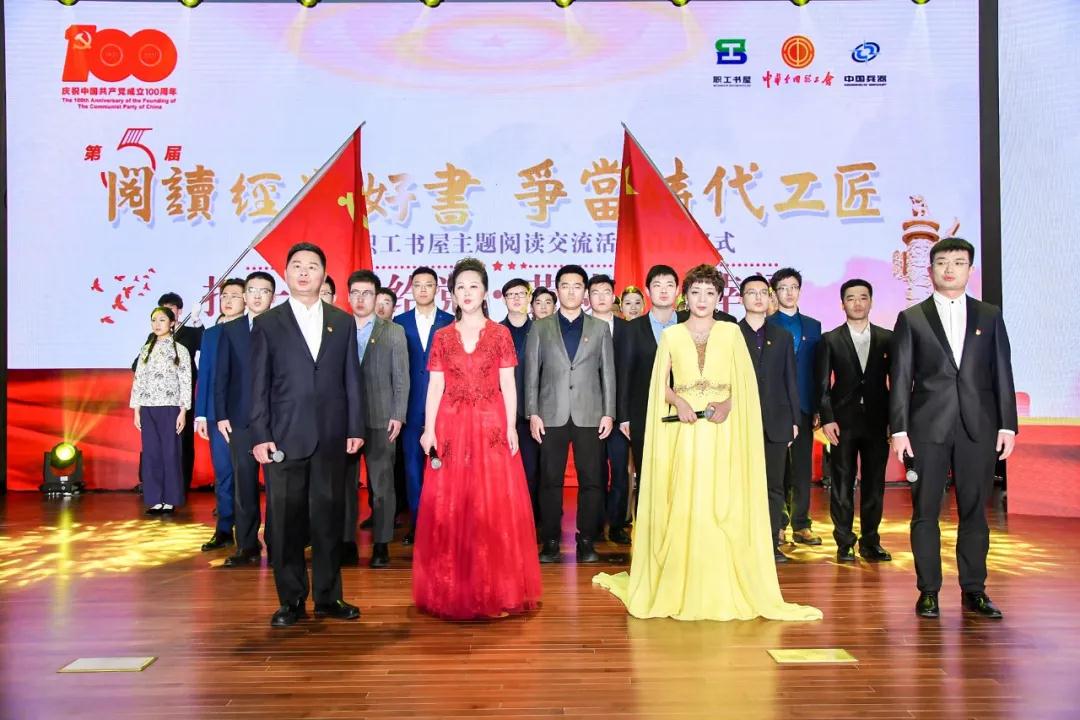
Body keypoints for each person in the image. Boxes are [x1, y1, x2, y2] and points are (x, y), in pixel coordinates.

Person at [593, 265, 821, 622]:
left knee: (722, 499)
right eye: (696, 292)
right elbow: (660, 386)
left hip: (722, 430)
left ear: (719, 297)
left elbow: (744, 384)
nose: (702, 299)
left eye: (710, 293)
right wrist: (679, 402)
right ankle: (681, 577)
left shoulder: (731, 333)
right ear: (686, 296)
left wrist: (727, 405)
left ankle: (723, 577)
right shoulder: (672, 336)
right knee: (685, 496)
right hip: (683, 430)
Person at [890, 237, 1017, 620]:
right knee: (925, 510)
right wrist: (899, 429)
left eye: (958, 262)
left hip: (979, 426)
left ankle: (974, 590)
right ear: (930, 270)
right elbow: (901, 378)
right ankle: (928, 591)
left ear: (970, 270)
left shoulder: (989, 315)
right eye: (942, 262)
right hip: (927, 427)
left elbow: (1002, 370)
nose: (950, 269)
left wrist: (1008, 425)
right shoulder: (912, 318)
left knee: (975, 510)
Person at [414, 258, 542, 620]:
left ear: (486, 292)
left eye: (474, 286)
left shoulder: (500, 334)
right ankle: (451, 589)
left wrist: (511, 426)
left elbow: (508, 384)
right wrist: (429, 428)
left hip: (491, 426)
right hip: (451, 426)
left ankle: (497, 589)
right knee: (453, 505)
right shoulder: (442, 336)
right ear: (453, 295)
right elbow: (435, 385)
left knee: (492, 505)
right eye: (460, 287)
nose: (467, 293)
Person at [249, 243, 365, 627]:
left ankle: (329, 597)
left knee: (329, 518)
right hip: (283, 437)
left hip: (331, 435)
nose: (303, 272)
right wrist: (260, 434)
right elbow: (258, 385)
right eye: (296, 265)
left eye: (312, 266)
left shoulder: (342, 322)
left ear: (324, 274)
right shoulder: (269, 323)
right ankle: (291, 600)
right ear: (285, 273)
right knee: (285, 522)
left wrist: (355, 426)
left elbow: (351, 378)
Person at [525, 264, 615, 564]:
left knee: (592, 480)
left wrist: (609, 413)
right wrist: (532, 412)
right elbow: (532, 374)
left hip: (591, 414)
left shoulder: (599, 328)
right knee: (550, 480)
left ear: (585, 291)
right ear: (557, 289)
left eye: (577, 286)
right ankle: (550, 541)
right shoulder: (541, 327)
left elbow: (608, 374)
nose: (571, 291)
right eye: (565, 286)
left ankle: (586, 540)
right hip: (551, 414)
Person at [816, 279, 893, 563]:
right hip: (842, 422)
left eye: (863, 297)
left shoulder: (887, 338)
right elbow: (822, 384)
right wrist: (827, 419)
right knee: (842, 482)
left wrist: (895, 422)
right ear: (842, 304)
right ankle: (844, 542)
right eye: (851, 298)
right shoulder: (830, 339)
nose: (857, 303)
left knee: (874, 484)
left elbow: (896, 382)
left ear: (871, 301)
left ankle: (871, 542)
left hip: (878, 421)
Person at [343, 270, 409, 568]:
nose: (361, 299)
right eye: (355, 293)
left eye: (367, 293)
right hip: (344, 421)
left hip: (382, 418)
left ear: (376, 297)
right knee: (345, 486)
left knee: (382, 485)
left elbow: (401, 378)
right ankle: (346, 542)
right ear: (348, 296)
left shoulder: (392, 331)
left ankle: (381, 544)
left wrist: (398, 414)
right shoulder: (337, 328)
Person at [215, 271, 276, 567]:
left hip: (276, 420)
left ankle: (278, 544)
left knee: (277, 487)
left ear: (272, 296)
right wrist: (221, 414)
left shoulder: (283, 326)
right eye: (252, 290)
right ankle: (247, 546)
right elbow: (221, 375)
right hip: (239, 419)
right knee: (244, 485)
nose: (257, 296)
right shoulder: (231, 329)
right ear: (245, 295)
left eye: (264, 291)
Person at [738, 275, 800, 563]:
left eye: (763, 292)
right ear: (742, 298)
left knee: (774, 486)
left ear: (770, 297)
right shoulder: (731, 334)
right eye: (752, 292)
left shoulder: (782, 336)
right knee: (740, 486)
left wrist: (794, 420)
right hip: (739, 422)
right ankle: (742, 544)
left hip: (776, 423)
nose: (758, 297)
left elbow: (790, 380)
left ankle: (771, 542)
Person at [395, 267, 454, 545]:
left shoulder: (450, 322)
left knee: (445, 466)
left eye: (428, 285)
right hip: (408, 405)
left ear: (436, 289)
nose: (422, 289)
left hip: (444, 406)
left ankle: (445, 522)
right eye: (417, 284)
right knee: (412, 467)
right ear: (411, 288)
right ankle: (419, 524)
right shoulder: (399, 322)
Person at [618, 265, 680, 515]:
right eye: (657, 285)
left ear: (678, 290)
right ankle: (648, 527)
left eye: (669, 285)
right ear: (647, 291)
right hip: (643, 412)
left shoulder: (688, 324)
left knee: (681, 473)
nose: (663, 291)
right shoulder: (632, 328)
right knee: (648, 472)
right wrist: (624, 416)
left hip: (684, 411)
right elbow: (624, 374)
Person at [767, 268, 822, 547]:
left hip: (804, 404)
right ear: (774, 293)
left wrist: (818, 407)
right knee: (777, 469)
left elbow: (817, 370)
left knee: (801, 467)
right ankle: (778, 523)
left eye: (793, 287)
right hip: (775, 405)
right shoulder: (766, 324)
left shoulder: (813, 326)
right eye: (782, 288)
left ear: (800, 290)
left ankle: (802, 524)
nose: (789, 293)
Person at [195, 278, 246, 552]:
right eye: (224, 296)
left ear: (246, 299)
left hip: (247, 416)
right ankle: (224, 528)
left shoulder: (254, 329)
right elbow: (205, 375)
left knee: (246, 475)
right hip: (217, 416)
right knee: (224, 473)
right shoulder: (211, 334)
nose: (228, 300)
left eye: (235, 296)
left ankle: (250, 532)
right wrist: (202, 415)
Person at [130, 306, 192, 515]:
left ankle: (170, 499)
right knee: (151, 454)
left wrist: (183, 411)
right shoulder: (146, 349)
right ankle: (155, 499)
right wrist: (136, 409)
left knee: (170, 453)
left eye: (162, 320)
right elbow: (139, 380)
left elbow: (186, 382)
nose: (157, 324)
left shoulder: (180, 350)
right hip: (148, 408)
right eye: (154, 320)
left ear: (172, 323)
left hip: (170, 408)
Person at [588, 274, 632, 545]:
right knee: (594, 472)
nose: (602, 297)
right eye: (596, 292)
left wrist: (626, 414)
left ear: (613, 295)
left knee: (619, 469)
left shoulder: (628, 329)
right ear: (588, 297)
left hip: (621, 414)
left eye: (606, 291)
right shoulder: (581, 327)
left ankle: (616, 524)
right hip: (588, 414)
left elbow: (632, 372)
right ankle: (594, 524)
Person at [500, 278, 541, 525]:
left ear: (529, 298)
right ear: (504, 300)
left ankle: (530, 520)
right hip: (501, 412)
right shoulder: (495, 331)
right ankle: (505, 519)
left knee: (532, 469)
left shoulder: (542, 330)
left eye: (521, 294)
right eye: (510, 295)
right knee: (502, 471)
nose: (516, 298)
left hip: (532, 411)